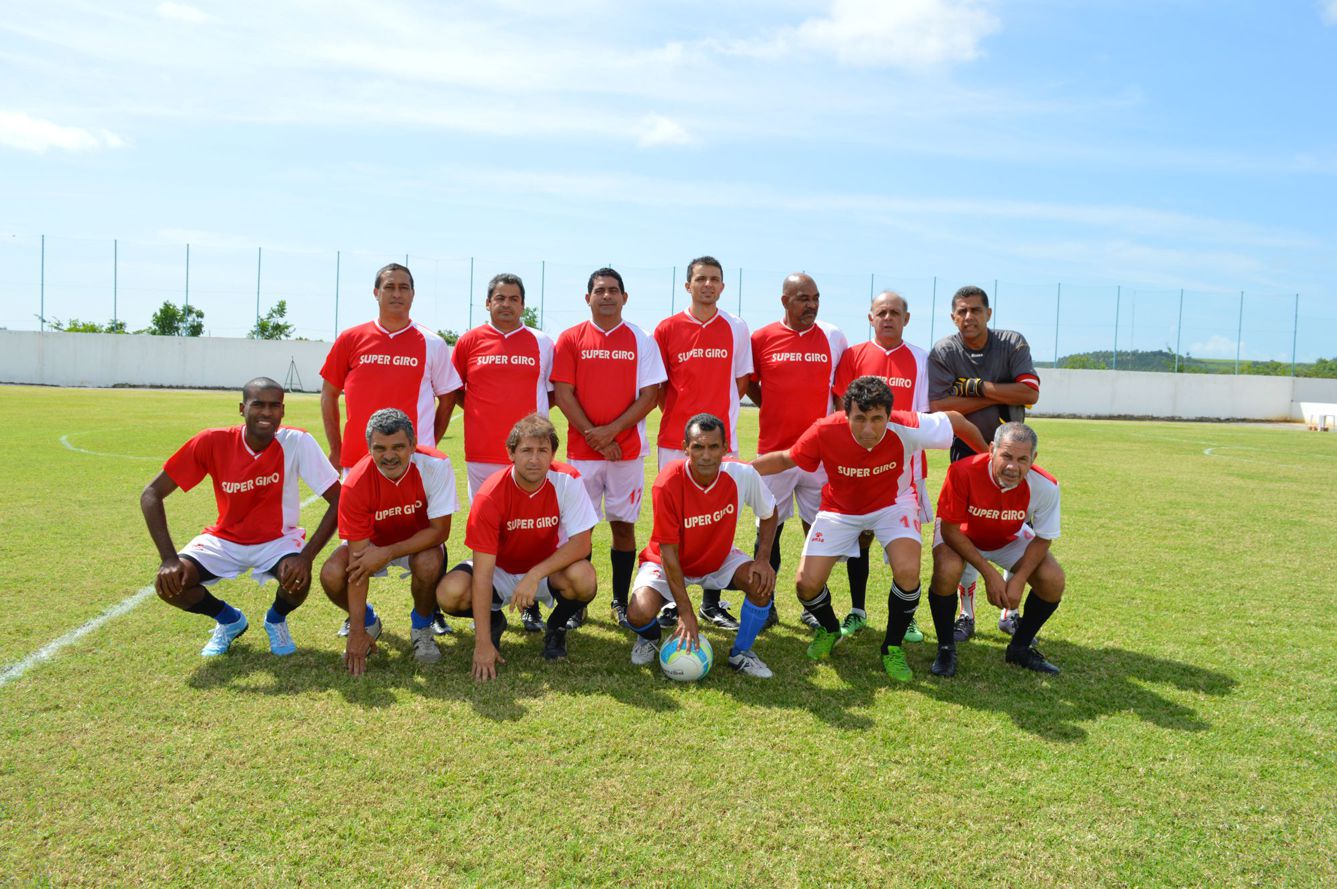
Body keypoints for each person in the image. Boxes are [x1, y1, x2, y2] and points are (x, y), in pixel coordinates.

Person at [752, 376, 986, 682]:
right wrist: (740, 469)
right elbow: (786, 458)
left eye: (877, 419)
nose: (868, 429)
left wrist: (987, 455)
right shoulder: (825, 429)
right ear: (846, 414)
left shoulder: (908, 425)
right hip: (840, 509)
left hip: (893, 505)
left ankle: (892, 647)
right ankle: (830, 629)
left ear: (889, 415)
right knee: (805, 585)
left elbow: (956, 420)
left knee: (907, 573)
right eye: (859, 419)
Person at [140, 378, 340, 657]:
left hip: (277, 540)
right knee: (170, 586)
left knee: (298, 579)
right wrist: (168, 559)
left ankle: (276, 619)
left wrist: (306, 557)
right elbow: (151, 494)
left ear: (283, 411)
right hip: (225, 539)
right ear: (242, 408)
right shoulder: (212, 441)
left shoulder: (297, 441)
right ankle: (229, 620)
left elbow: (339, 499)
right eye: (258, 404)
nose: (266, 412)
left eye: (274, 406)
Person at [319, 261, 462, 638]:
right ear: (376, 292)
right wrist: (336, 448)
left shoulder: (432, 342)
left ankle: (429, 614)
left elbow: (448, 396)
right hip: (360, 462)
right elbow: (329, 394)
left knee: (430, 538)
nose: (397, 293)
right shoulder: (351, 338)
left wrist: (427, 443)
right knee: (355, 549)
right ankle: (361, 617)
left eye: (404, 287)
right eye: (389, 287)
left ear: (413, 294)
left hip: (413, 463)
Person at [436, 415, 598, 679]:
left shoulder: (567, 480)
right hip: (499, 570)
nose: (534, 459)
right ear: (511, 453)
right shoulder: (490, 495)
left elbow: (581, 544)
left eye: (542, 450)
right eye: (526, 450)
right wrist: (482, 643)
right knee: (449, 593)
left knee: (585, 577)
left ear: (552, 453)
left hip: (545, 570)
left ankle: (557, 627)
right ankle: (493, 622)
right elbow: (483, 573)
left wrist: (535, 574)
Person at [551, 267, 666, 629]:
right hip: (582, 454)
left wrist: (612, 433)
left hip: (626, 453)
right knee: (578, 530)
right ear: (588, 297)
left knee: (623, 526)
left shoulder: (642, 339)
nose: (606, 296)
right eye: (599, 290)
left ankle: (619, 600)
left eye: (613, 290)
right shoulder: (570, 338)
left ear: (624, 297)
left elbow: (650, 396)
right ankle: (577, 602)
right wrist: (594, 436)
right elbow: (563, 393)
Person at [625, 414, 779, 677]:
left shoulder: (742, 474)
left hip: (717, 559)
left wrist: (763, 558)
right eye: (698, 447)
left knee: (760, 583)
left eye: (713, 447)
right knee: (638, 614)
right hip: (667, 562)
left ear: (725, 447)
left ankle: (741, 653)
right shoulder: (667, 482)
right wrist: (685, 612)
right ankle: (650, 637)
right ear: (685, 448)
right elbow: (668, 552)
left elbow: (769, 511)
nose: (706, 455)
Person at [928, 285, 1041, 642]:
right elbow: (940, 407)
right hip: (967, 455)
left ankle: (1010, 612)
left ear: (988, 313)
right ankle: (966, 613)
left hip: (1014, 454)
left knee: (1016, 526)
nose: (969, 317)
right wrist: (997, 391)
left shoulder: (1011, 343)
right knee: (967, 533)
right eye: (962, 311)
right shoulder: (944, 351)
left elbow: (1030, 393)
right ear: (953, 317)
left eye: (975, 310)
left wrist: (974, 387)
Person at [451, 272, 556, 633]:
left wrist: (531, 436)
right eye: (500, 298)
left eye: (513, 299)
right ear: (488, 303)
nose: (506, 304)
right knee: (491, 530)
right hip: (482, 452)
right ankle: (491, 601)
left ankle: (531, 603)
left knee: (531, 530)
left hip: (531, 455)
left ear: (523, 305)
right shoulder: (469, 341)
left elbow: (553, 392)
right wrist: (483, 414)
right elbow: (456, 389)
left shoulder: (542, 342)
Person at [319, 409, 458, 675]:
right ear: (369, 448)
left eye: (398, 447)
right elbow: (358, 565)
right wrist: (357, 631)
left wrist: (389, 552)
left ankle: (421, 627)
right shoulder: (355, 484)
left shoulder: (436, 465)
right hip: (371, 546)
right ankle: (368, 622)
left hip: (417, 544)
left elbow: (440, 532)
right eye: (380, 448)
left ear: (413, 445)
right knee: (332, 572)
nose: (389, 456)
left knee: (430, 562)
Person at [653, 255, 752, 630]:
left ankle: (711, 602)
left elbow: (741, 380)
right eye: (700, 279)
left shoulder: (736, 327)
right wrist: (683, 421)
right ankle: (670, 600)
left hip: (721, 443)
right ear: (687, 285)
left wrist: (716, 428)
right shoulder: (666, 328)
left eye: (714, 279)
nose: (707, 284)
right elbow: (660, 386)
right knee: (673, 522)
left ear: (722, 286)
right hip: (675, 441)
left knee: (718, 521)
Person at [745, 272, 847, 629]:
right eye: (804, 298)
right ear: (785, 300)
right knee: (768, 530)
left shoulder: (833, 337)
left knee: (818, 530)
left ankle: (813, 604)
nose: (812, 305)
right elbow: (751, 384)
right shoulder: (761, 338)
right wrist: (773, 405)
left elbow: (840, 392)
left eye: (816, 298)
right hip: (775, 453)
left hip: (819, 454)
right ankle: (765, 603)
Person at [829, 290, 930, 641]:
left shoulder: (921, 358)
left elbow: (923, 415)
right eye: (881, 312)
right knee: (861, 537)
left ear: (906, 318)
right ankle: (857, 610)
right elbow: (841, 412)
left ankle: (907, 617)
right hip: (859, 466)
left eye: (895, 313)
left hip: (905, 468)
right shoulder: (853, 355)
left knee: (903, 543)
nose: (888, 318)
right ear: (870, 318)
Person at [927, 422, 1064, 676]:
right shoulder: (962, 471)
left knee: (1053, 579)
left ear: (1033, 458)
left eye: (1022, 459)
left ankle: (1020, 648)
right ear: (992, 450)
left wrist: (1019, 579)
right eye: (1007, 456)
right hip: (962, 535)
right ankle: (946, 648)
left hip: (1007, 536)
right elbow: (950, 530)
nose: (1013, 467)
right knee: (947, 569)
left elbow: (1043, 537)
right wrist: (989, 573)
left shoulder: (1046, 485)